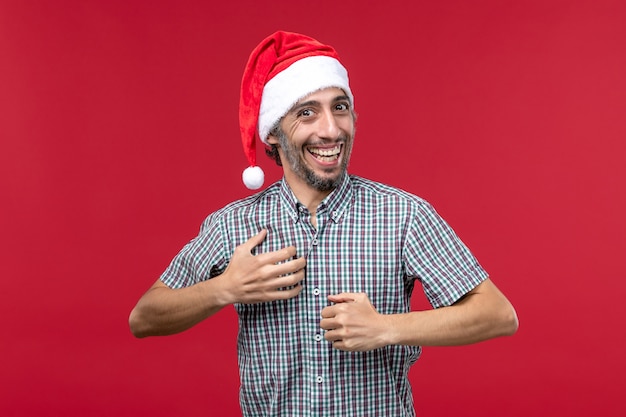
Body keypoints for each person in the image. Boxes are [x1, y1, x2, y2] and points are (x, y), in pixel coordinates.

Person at [129, 31, 518, 417]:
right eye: (307, 112)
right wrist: (225, 288)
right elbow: (144, 317)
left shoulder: (404, 215)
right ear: (274, 134)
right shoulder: (233, 225)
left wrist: (385, 328)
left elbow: (497, 314)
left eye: (340, 107)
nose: (331, 130)